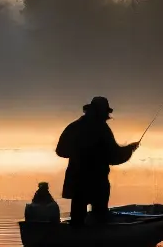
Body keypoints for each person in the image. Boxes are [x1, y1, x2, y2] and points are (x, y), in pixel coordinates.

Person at [55, 96, 140, 227]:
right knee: (99, 219)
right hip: (98, 182)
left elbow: (60, 151)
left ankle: (76, 240)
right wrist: (130, 149)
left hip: (77, 181)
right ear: (101, 112)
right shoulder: (103, 129)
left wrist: (78, 151)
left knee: (77, 221)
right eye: (105, 112)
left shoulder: (74, 127)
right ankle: (97, 241)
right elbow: (114, 156)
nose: (107, 115)